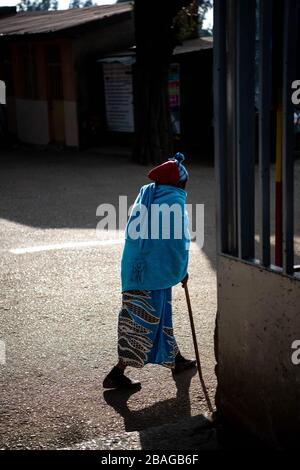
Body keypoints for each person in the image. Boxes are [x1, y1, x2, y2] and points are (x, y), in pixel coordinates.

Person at [103, 153, 196, 389]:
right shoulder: (173, 203)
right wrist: (181, 270)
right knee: (140, 323)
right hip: (153, 274)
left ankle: (175, 360)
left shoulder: (147, 196)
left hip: (136, 270)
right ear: (179, 184)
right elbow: (176, 245)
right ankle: (117, 372)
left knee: (158, 316)